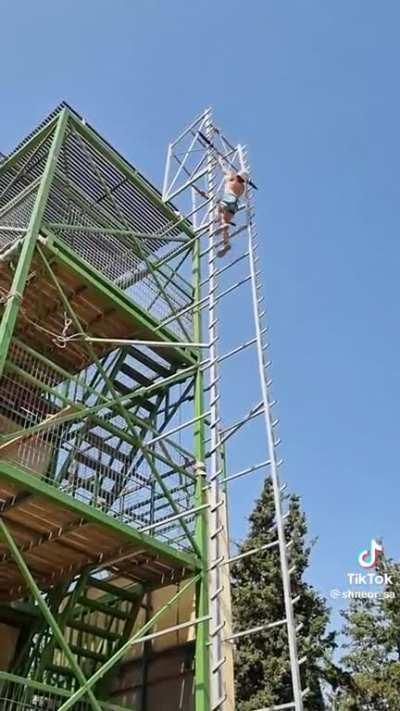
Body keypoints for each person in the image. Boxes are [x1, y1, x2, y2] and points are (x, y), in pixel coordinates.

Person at [217, 166, 249, 257]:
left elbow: (225, 170)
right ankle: (226, 244)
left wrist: (220, 162)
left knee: (219, 211)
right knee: (225, 221)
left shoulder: (232, 179)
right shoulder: (242, 188)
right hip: (235, 204)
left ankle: (224, 225)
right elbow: (245, 196)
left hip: (228, 198)